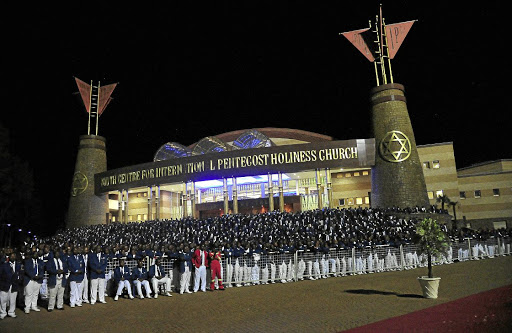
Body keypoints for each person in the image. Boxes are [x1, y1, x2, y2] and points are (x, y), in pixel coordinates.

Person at [0, 253, 22, 319]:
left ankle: (11, 312)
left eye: (14, 256)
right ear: (9, 257)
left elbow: (21, 273)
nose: (13, 257)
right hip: (5, 284)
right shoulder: (4, 265)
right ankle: (2, 312)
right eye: (11, 256)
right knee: (3, 299)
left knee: (13, 300)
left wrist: (19, 279)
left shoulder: (18, 265)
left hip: (14, 284)